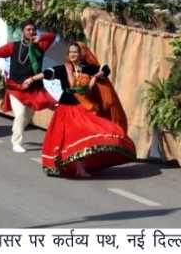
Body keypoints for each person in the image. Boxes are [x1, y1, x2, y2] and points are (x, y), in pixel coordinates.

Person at [24, 42, 135, 177]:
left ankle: (80, 168)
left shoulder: (86, 68)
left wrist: (95, 76)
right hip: (66, 108)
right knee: (68, 138)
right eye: (70, 52)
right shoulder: (64, 68)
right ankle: (75, 168)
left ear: (81, 55)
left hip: (82, 108)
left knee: (88, 133)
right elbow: (48, 73)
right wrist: (31, 79)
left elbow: (106, 69)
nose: (72, 54)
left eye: (75, 52)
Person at [0, 21, 57, 153]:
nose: (31, 32)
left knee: (27, 116)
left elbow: (52, 36)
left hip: (34, 88)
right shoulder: (13, 46)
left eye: (33, 30)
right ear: (22, 32)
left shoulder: (41, 45)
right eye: (28, 29)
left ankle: (16, 129)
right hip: (16, 88)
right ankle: (16, 142)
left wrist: (41, 37)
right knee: (20, 114)